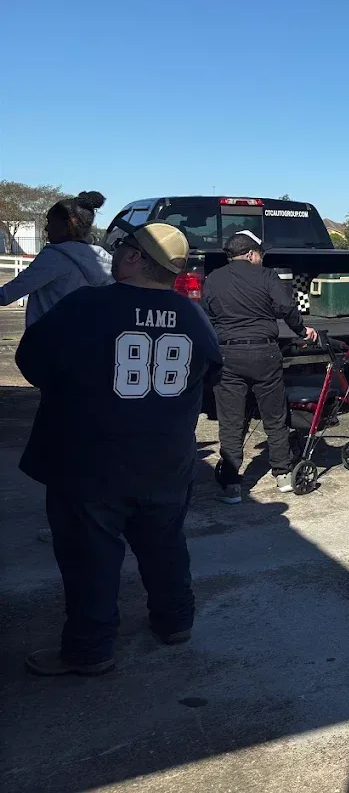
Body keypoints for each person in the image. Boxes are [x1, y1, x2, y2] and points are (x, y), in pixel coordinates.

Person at [16, 222, 222, 675]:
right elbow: (212, 374)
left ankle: (89, 650)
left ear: (133, 258)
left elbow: (31, 362)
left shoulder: (87, 305)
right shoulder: (193, 315)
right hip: (167, 460)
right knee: (165, 545)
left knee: (90, 557)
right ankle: (174, 622)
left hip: (91, 463)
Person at [203, 231, 319, 501]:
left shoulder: (213, 279)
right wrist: (302, 331)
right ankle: (282, 475)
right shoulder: (266, 276)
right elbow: (286, 307)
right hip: (264, 352)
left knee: (231, 422)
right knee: (275, 416)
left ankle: (231, 485)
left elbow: (206, 316)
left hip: (227, 354)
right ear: (252, 254)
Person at [1, 190, 112, 327]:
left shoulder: (54, 257)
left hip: (48, 342)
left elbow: (7, 294)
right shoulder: (106, 260)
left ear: (68, 225)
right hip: (89, 343)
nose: (47, 228)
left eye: (50, 221)